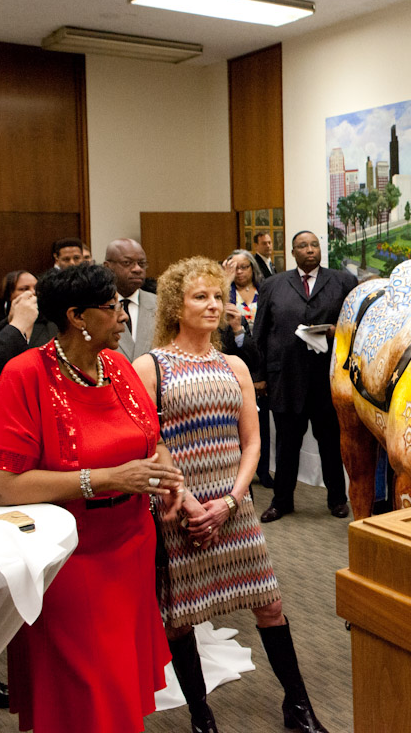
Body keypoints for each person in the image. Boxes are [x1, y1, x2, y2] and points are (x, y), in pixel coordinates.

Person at [0, 263, 183, 733]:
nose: (124, 318)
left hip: (131, 544)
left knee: (118, 687)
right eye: (111, 309)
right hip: (71, 556)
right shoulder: (26, 374)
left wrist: (168, 476)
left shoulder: (119, 366)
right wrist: (103, 480)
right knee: (88, 687)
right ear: (77, 317)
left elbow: (150, 440)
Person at [133, 257, 330, 733]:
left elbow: (253, 442)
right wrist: (188, 497)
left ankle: (297, 706)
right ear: (176, 305)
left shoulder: (234, 364)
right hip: (181, 510)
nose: (212, 304)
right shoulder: (149, 365)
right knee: (181, 618)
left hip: (233, 508)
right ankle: (202, 717)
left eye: (217, 296)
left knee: (269, 605)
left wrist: (232, 500)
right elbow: (147, 440)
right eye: (200, 296)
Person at [254, 231, 357, 522]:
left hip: (327, 380)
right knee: (287, 446)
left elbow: (355, 325)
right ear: (293, 252)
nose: (310, 250)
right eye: (303, 246)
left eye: (314, 245)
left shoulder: (343, 281)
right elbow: (259, 333)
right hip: (285, 380)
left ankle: (337, 498)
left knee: (330, 443)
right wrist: (259, 376)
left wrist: (338, 332)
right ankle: (281, 501)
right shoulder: (273, 285)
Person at [225, 249, 273, 487]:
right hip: (233, 364)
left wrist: (261, 375)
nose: (240, 272)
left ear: (253, 268)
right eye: (235, 267)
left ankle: (263, 471)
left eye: (244, 266)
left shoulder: (265, 291)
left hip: (261, 362)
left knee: (259, 424)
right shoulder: (224, 295)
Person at [0, 270, 58, 382]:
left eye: (36, 288)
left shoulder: (52, 325)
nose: (33, 293)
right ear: (9, 295)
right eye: (24, 289)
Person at [105, 238, 157, 360]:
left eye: (142, 264)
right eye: (127, 263)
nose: (137, 269)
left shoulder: (161, 305)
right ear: (107, 266)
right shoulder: (96, 308)